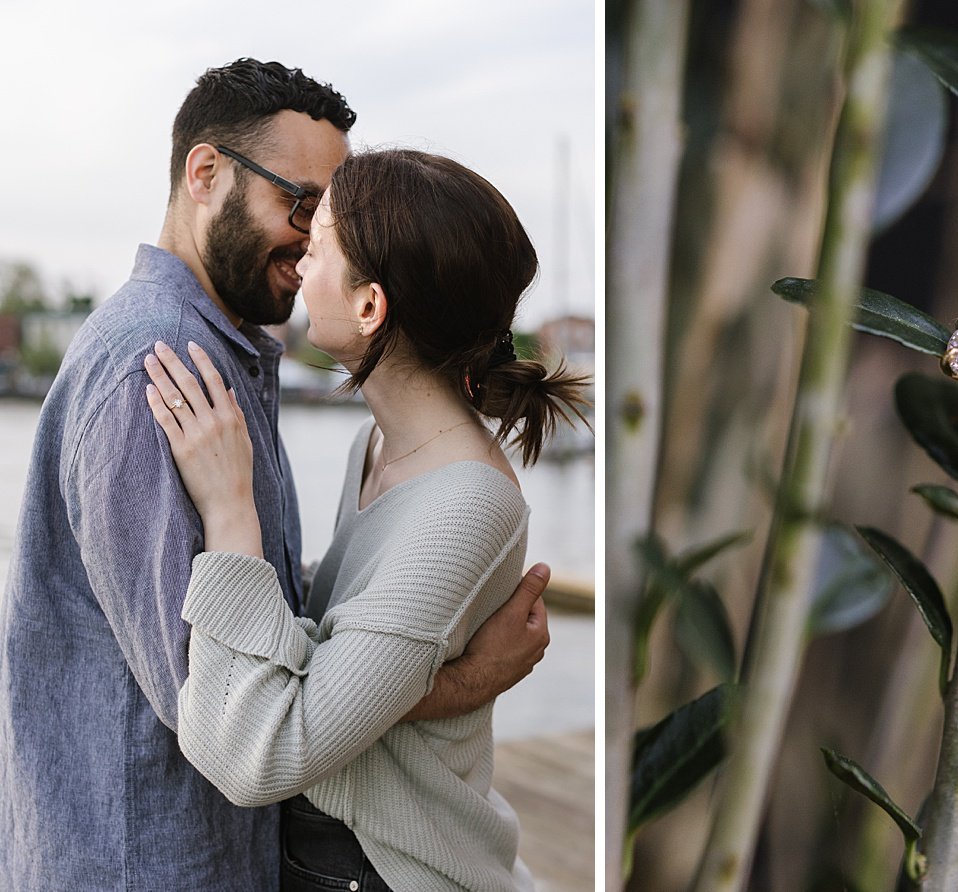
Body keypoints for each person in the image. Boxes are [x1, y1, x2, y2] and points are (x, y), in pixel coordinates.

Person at [0, 60, 551, 890]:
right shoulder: (158, 371)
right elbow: (243, 722)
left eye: (324, 225)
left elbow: (288, 673)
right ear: (206, 173)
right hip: (144, 864)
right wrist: (466, 680)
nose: (304, 241)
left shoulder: (238, 364)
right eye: (302, 205)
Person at [141, 148, 590, 891]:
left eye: (316, 251)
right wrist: (467, 678)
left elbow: (261, 753)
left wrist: (231, 512)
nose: (297, 263)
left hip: (389, 868)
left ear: (370, 307)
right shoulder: (375, 443)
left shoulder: (467, 506)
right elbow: (346, 657)